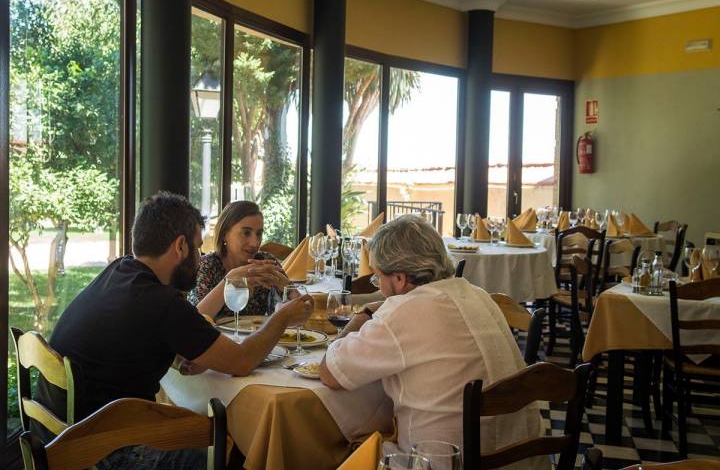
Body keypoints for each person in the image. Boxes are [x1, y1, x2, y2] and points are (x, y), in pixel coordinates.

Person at [37, 192, 313, 468]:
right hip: (102, 452)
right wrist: (282, 319)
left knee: (211, 433)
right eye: (196, 248)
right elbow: (241, 362)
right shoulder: (161, 302)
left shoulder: (118, 271)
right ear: (180, 246)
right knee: (226, 452)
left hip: (58, 437)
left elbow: (133, 340)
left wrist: (182, 356)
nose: (200, 257)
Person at [319, 215, 545, 468]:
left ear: (399, 279)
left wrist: (365, 313)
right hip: (520, 461)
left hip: (439, 461)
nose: (379, 286)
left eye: (378, 277)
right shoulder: (478, 294)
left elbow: (330, 373)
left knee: (332, 450)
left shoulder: (404, 311)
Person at [188, 200, 288, 320]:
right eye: (246, 233)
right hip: (215, 338)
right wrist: (230, 280)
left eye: (259, 234)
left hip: (257, 337)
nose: (255, 243)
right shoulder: (207, 266)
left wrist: (285, 285)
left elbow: (300, 311)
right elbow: (194, 320)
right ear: (225, 234)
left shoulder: (265, 262)